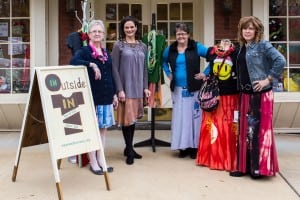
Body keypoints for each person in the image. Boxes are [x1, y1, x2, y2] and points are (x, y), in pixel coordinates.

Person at [230, 16, 286, 178]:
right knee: (245, 132)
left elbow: (280, 60)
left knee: (258, 132)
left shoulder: (263, 45)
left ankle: (258, 169)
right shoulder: (241, 47)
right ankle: (244, 167)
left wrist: (267, 79)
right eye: (244, 28)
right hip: (245, 94)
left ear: (257, 31)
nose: (247, 31)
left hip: (260, 95)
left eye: (251, 28)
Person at [70, 20, 118, 175]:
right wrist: (92, 65)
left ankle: (101, 159)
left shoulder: (105, 52)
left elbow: (110, 74)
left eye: (100, 31)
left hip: (106, 97)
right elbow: (73, 62)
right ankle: (93, 162)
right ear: (89, 34)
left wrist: (114, 94)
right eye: (94, 31)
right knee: (92, 130)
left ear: (103, 35)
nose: (97, 34)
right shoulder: (84, 52)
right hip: (92, 98)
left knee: (103, 130)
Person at [162, 23, 208, 159]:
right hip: (177, 89)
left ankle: (194, 147)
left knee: (194, 118)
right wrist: (168, 73)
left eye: (183, 33)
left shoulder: (196, 47)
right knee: (180, 119)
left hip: (194, 89)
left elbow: (213, 57)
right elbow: (163, 62)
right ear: (175, 36)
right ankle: (182, 147)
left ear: (188, 35)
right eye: (178, 34)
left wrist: (205, 73)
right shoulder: (170, 49)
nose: (181, 36)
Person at [111, 16, 151, 165]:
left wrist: (146, 87)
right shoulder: (118, 46)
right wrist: (119, 89)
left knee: (132, 120)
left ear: (136, 28)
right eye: (126, 27)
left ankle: (129, 148)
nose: (129, 30)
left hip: (138, 89)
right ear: (123, 29)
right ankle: (129, 149)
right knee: (127, 120)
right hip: (125, 89)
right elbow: (114, 68)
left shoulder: (143, 46)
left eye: (132, 27)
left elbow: (145, 69)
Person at [195, 39, 239, 171]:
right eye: (222, 43)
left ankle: (226, 159)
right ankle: (209, 158)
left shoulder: (237, 54)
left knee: (227, 126)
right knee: (210, 125)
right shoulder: (212, 52)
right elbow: (195, 47)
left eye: (228, 42)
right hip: (213, 95)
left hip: (230, 97)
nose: (225, 44)